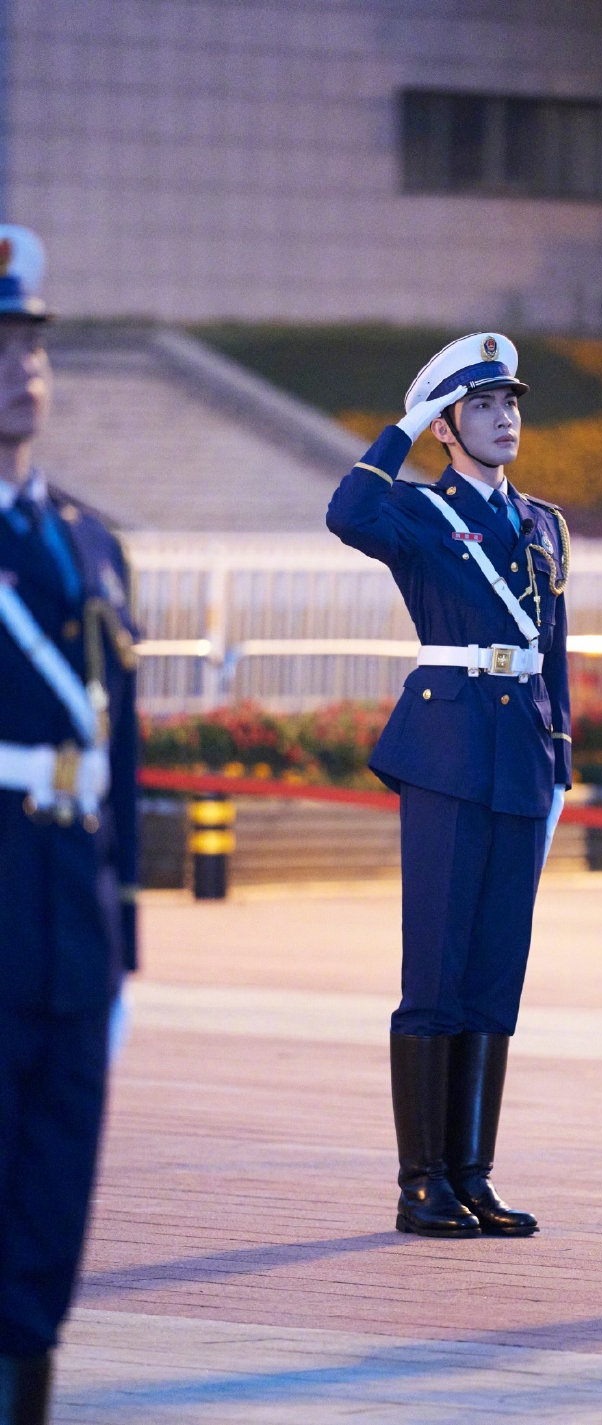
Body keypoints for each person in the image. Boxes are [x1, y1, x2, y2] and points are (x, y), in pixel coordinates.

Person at [327, 333, 570, 1238]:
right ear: (445, 426)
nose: (505, 419)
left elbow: (555, 650)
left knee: (496, 970)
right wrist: (404, 426)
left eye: (510, 403)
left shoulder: (544, 523)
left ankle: (472, 1174)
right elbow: (348, 512)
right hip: (448, 748)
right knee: (436, 965)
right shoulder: (419, 512)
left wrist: (561, 757)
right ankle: (421, 1180)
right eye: (481, 406)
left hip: (521, 754)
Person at [0, 226, 137, 1419]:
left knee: (50, 1214)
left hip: (70, 935)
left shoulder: (94, 542)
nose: (22, 366)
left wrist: (122, 946)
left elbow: (118, 760)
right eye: (0, 346)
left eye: (32, 342)